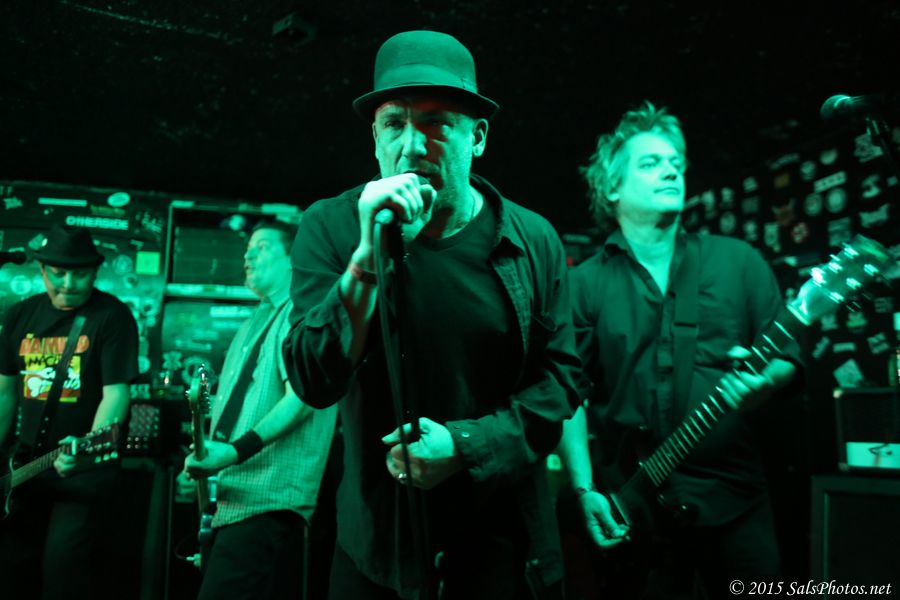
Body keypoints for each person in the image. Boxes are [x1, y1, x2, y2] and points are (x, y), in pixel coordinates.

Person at [282, 30, 579, 600]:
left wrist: (466, 445)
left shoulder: (533, 239)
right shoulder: (332, 226)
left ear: (478, 137)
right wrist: (367, 260)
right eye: (394, 123)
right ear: (375, 138)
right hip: (378, 545)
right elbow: (313, 379)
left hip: (497, 542)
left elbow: (561, 381)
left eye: (437, 123)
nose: (412, 146)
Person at [556, 102, 803, 599]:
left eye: (676, 162)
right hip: (633, 505)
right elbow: (568, 396)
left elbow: (785, 357)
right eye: (650, 163)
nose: (671, 170)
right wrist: (583, 490)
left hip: (734, 500)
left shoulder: (738, 261)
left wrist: (766, 382)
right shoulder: (583, 284)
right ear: (612, 188)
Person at [182, 220, 338, 600]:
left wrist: (235, 451)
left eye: (263, 246)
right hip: (232, 502)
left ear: (294, 258)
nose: (248, 255)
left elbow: (302, 399)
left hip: (267, 503)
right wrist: (206, 463)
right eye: (248, 247)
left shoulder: (302, 313)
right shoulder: (253, 322)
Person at [0, 225, 139, 600]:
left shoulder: (112, 317)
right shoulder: (20, 315)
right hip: (23, 470)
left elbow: (116, 395)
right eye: (58, 273)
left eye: (79, 274)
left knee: (62, 569)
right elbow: (5, 394)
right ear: (42, 270)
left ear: (95, 272)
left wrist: (90, 445)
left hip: (80, 473)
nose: (68, 284)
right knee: (13, 570)